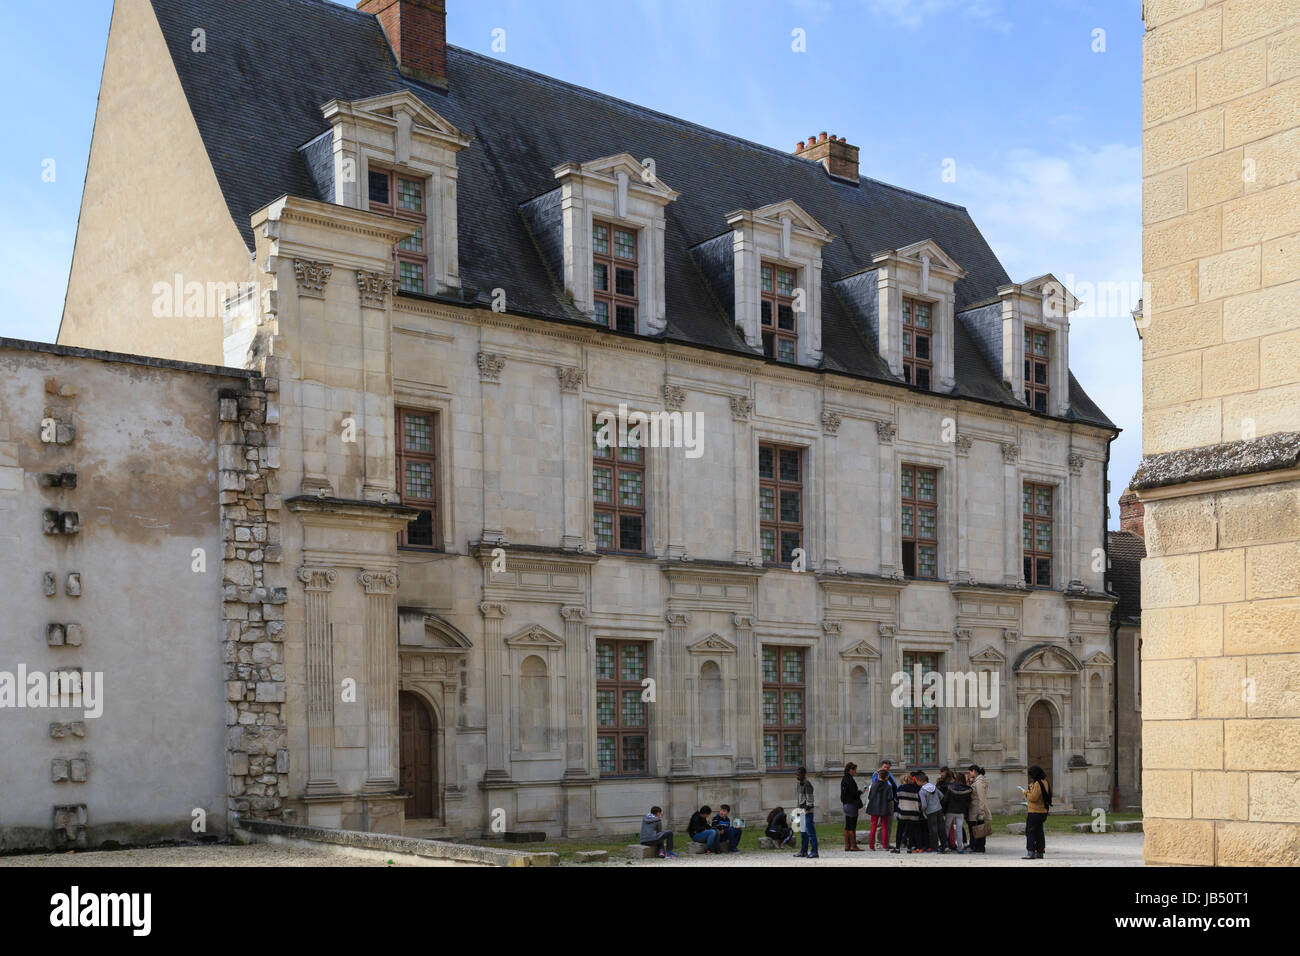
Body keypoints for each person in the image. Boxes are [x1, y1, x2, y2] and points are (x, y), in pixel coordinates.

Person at [1022, 765, 1051, 860]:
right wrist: (1031, 789)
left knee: (1030, 832)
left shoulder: (1038, 783)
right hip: (1043, 811)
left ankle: (1030, 852)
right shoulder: (1045, 782)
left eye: (1031, 775)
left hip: (1035, 812)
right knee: (1039, 832)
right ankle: (1040, 852)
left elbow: (1033, 798)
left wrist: (1026, 793)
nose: (1031, 777)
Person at [865, 762, 896, 850]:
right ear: (886, 777)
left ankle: (871, 846)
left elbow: (870, 796)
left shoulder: (873, 785)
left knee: (873, 826)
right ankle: (885, 846)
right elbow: (890, 797)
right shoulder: (888, 786)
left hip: (874, 807)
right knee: (884, 826)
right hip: (884, 807)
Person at [893, 770, 923, 853]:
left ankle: (897, 848)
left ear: (904, 780)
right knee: (911, 831)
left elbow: (896, 799)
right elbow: (920, 802)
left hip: (903, 813)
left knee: (900, 831)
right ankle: (909, 848)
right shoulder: (917, 790)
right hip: (914, 814)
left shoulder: (901, 788)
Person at [943, 771, 973, 853]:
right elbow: (968, 802)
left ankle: (944, 846)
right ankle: (960, 848)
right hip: (960, 812)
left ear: (956, 779)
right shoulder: (968, 789)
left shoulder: (950, 787)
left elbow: (945, 800)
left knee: (946, 829)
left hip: (950, 810)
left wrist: (943, 810)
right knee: (959, 829)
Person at [793, 766, 819, 858]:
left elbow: (810, 800)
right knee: (803, 833)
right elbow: (799, 799)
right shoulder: (799, 784)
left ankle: (814, 851)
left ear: (803, 774)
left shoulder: (807, 784)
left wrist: (805, 808)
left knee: (810, 832)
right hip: (801, 811)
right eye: (796, 774)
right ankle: (803, 851)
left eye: (798, 774)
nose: (797, 776)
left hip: (807, 812)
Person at [918, 771, 945, 853]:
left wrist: (922, 810)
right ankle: (944, 846)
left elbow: (924, 805)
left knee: (933, 830)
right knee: (941, 829)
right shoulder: (934, 787)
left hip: (930, 812)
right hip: (939, 809)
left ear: (920, 781)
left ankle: (934, 848)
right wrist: (937, 803)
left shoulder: (922, 791)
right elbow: (941, 796)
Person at [840, 762, 864, 851]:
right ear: (850, 770)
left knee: (847, 825)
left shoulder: (844, 779)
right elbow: (853, 794)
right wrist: (860, 792)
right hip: (851, 804)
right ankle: (853, 846)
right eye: (854, 770)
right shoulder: (850, 780)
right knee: (852, 826)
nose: (855, 772)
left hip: (845, 805)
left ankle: (847, 845)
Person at [967, 764, 990, 853]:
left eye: (970, 772)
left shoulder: (979, 782)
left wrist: (981, 809)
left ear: (974, 771)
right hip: (975, 807)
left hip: (976, 808)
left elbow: (981, 796)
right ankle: (977, 846)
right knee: (978, 827)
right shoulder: (978, 781)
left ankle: (978, 846)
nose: (969, 774)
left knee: (978, 828)